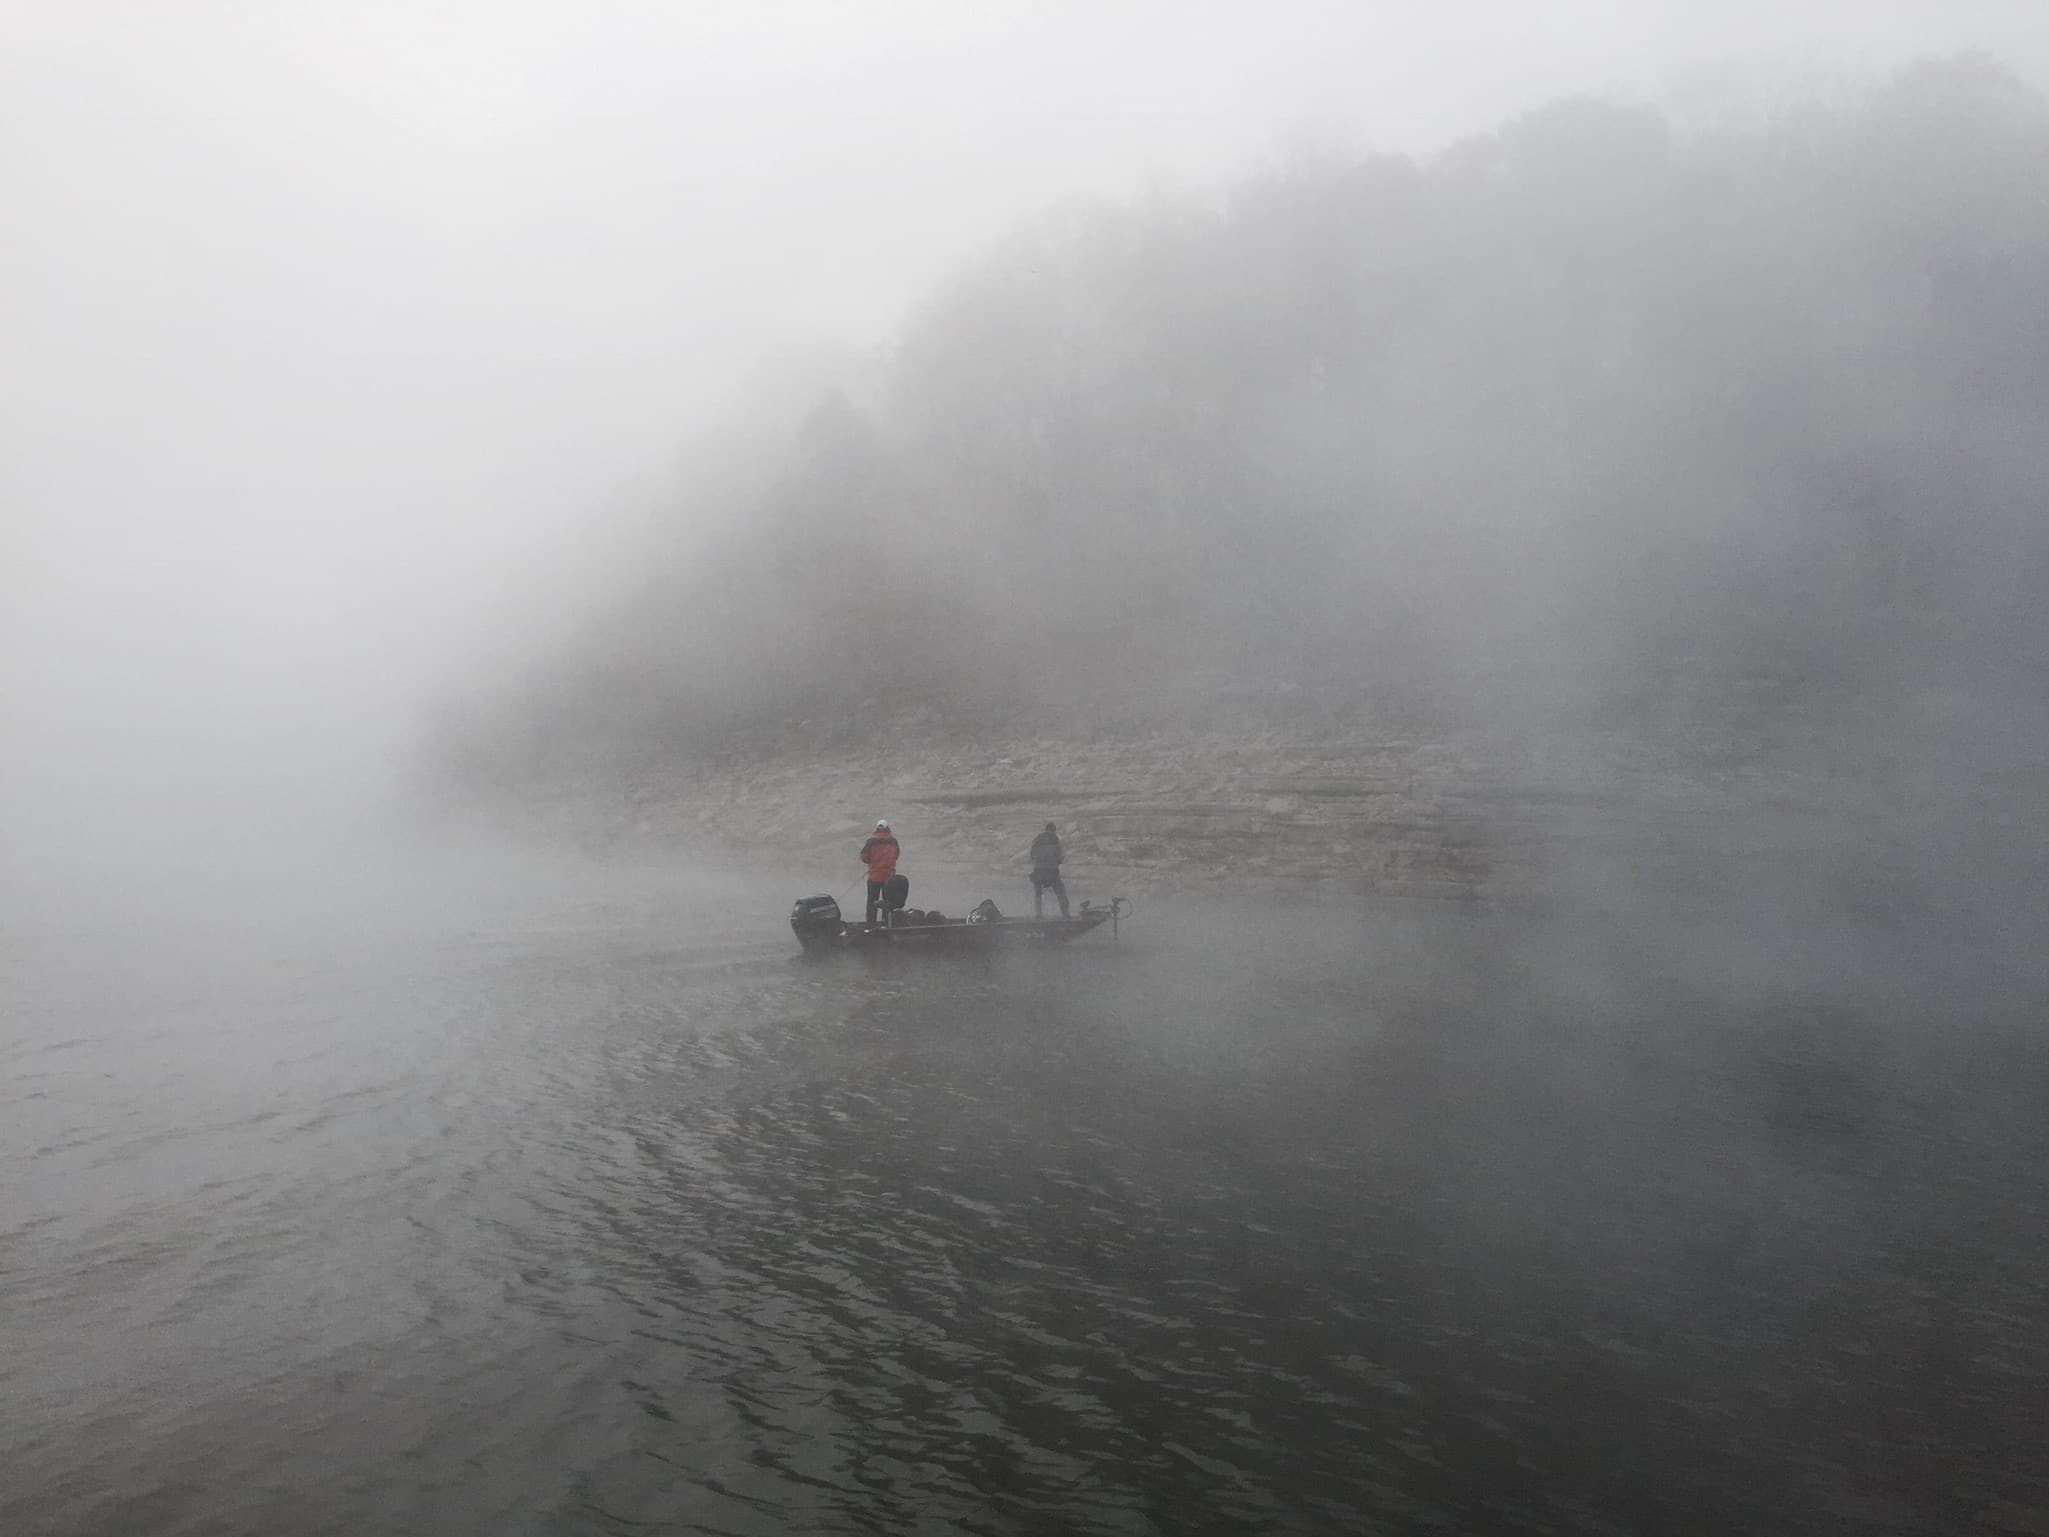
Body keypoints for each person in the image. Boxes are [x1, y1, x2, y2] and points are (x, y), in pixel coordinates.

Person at [859, 820, 900, 925]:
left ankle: (871, 925)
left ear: (877, 829)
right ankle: (886, 924)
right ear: (888, 829)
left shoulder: (870, 842)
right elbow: (896, 855)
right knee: (888, 903)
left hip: (874, 877)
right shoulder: (894, 842)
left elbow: (864, 857)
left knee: (872, 902)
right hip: (889, 878)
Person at [1029, 821, 1069, 919]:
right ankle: (1066, 915)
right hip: (1051, 871)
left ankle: (1038, 915)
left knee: (1038, 894)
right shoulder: (1055, 839)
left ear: (1045, 829)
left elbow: (1032, 854)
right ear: (1054, 830)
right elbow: (1060, 858)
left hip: (1038, 870)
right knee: (1061, 893)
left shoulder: (1037, 838)